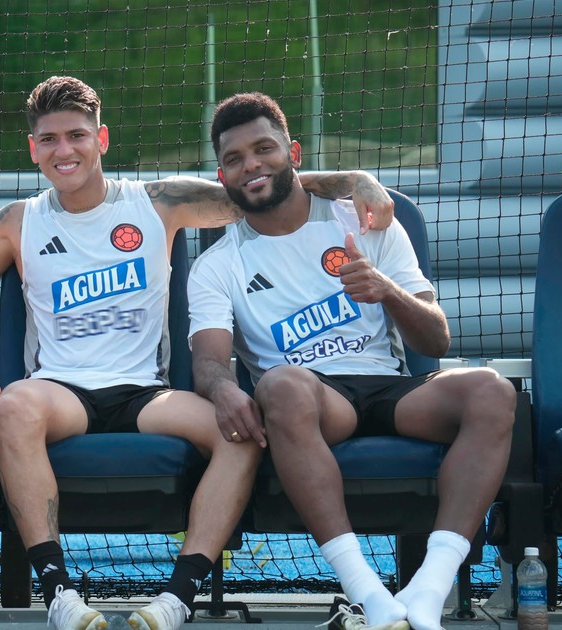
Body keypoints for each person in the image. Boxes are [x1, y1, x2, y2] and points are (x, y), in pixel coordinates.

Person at [0, 76, 393, 630]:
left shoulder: (160, 202)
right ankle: (60, 595)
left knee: (240, 428)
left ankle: (176, 599)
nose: (65, 150)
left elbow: (260, 186)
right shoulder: (18, 222)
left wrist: (354, 179)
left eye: (77, 136)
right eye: (49, 140)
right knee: (12, 405)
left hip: (146, 393)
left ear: (101, 139)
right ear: (33, 150)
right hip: (62, 391)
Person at [187, 92, 515, 630]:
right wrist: (224, 389)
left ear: (293, 152)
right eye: (234, 158)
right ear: (222, 176)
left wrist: (386, 290)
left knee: (493, 390)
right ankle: (367, 592)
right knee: (281, 384)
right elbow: (209, 362)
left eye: (264, 149)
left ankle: (430, 588)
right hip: (314, 402)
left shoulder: (364, 221)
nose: (251, 165)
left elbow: (436, 339)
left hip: (389, 388)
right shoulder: (218, 263)